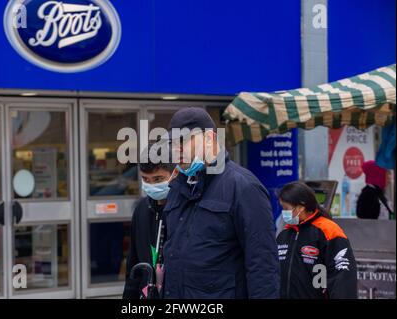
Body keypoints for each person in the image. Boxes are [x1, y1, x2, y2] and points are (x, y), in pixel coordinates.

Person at [162, 107, 280, 299]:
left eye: (182, 140)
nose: (177, 149)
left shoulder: (243, 186)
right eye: (172, 143)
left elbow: (263, 264)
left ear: (209, 139)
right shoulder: (179, 186)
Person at [276, 181, 358, 299]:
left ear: (300, 207)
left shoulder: (328, 231)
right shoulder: (284, 235)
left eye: (286, 208)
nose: (284, 213)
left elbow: (343, 277)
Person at [122, 146, 177, 299]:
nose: (152, 185)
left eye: (158, 179)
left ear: (175, 174)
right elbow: (133, 263)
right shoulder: (141, 209)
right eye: (146, 179)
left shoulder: (184, 210)